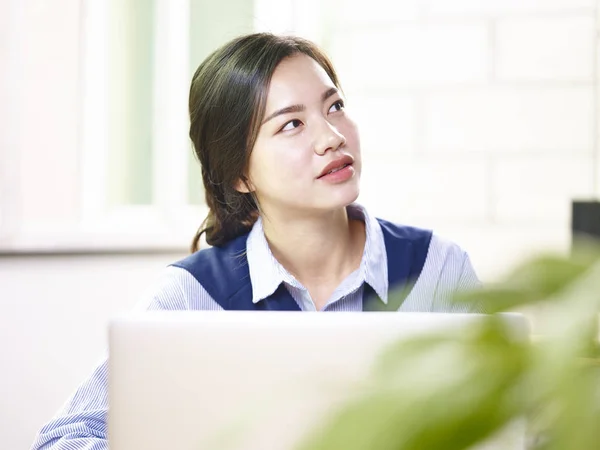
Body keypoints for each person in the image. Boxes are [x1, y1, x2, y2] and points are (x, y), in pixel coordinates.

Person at [31, 32, 482, 449]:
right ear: (240, 174)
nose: (332, 136)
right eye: (291, 124)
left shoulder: (438, 269)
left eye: (335, 106)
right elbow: (61, 440)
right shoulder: (192, 296)